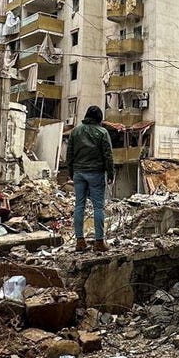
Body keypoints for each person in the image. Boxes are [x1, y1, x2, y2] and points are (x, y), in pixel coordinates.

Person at [66, 105, 114, 252]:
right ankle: (99, 242)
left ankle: (80, 241)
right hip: (96, 173)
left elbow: (69, 153)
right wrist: (110, 173)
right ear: (99, 119)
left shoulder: (75, 131)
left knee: (79, 206)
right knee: (98, 207)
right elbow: (108, 155)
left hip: (79, 173)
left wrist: (71, 172)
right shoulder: (102, 132)